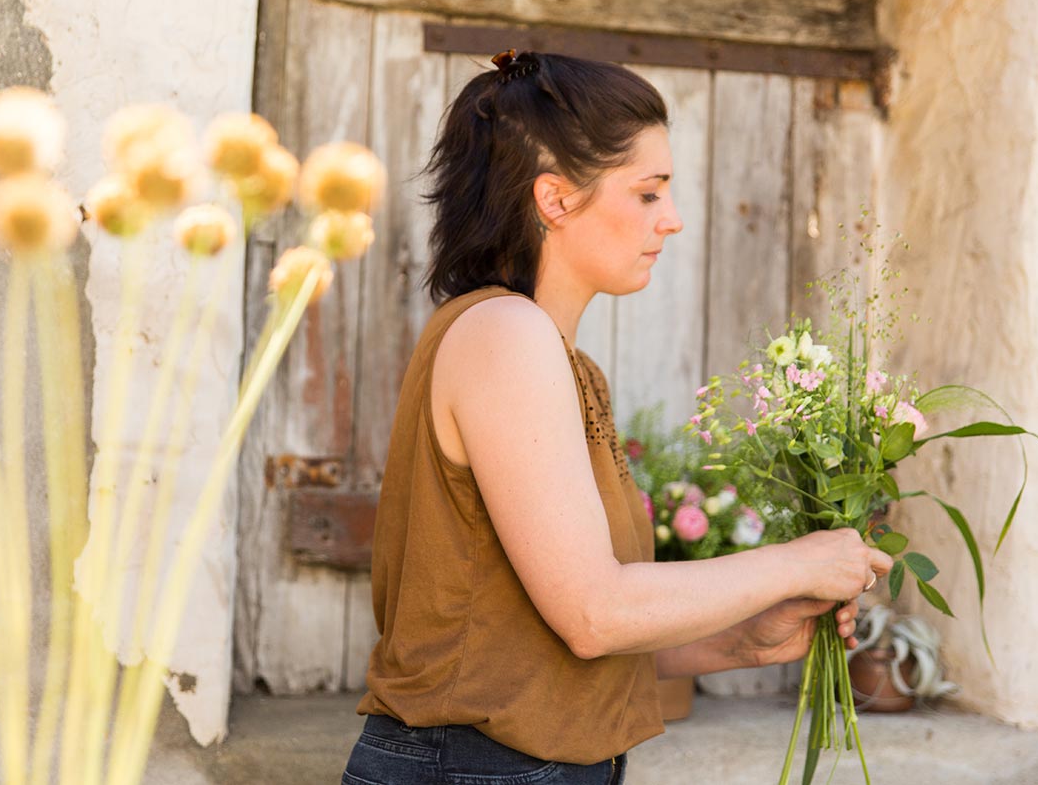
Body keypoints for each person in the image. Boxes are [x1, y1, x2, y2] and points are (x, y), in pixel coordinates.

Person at [341, 50, 893, 785]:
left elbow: (564, 633)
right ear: (555, 199)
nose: (672, 220)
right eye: (647, 193)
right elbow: (594, 612)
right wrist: (799, 560)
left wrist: (743, 642)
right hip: (473, 768)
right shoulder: (504, 335)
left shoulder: (565, 363)